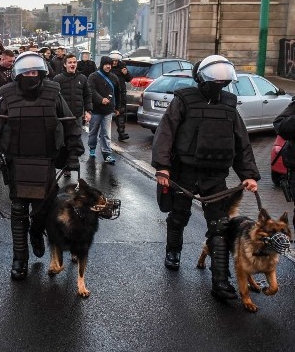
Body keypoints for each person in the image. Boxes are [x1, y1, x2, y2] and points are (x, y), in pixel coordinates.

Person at [151, 54, 259, 300]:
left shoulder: (230, 105)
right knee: (178, 216)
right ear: (201, 78)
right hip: (184, 171)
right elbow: (165, 132)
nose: (219, 85)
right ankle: (173, 252)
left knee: (219, 225)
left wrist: (249, 175)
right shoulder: (183, 100)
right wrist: (162, 167)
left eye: (223, 81)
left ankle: (220, 281)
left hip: (214, 175)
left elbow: (241, 142)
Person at [0, 51, 83, 280]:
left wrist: (74, 152)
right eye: (28, 72)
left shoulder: (53, 94)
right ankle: (19, 259)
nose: (32, 75)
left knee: (43, 211)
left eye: (36, 71)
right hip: (16, 162)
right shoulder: (7, 97)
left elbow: (70, 125)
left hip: (45, 163)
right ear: (19, 74)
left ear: (41, 73)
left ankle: (36, 233)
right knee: (19, 212)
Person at [53, 53, 92, 177]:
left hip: (77, 117)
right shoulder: (58, 79)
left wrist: (88, 111)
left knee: (74, 141)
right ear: (65, 64)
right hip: (62, 117)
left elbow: (87, 95)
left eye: (74, 62)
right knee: (63, 142)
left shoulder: (82, 78)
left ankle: (71, 163)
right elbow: (53, 98)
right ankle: (65, 167)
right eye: (70, 62)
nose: (72, 64)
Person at [87, 56, 120, 164]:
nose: (108, 66)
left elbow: (118, 93)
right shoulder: (93, 76)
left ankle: (106, 154)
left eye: (110, 64)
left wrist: (118, 107)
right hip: (96, 110)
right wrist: (101, 99)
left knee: (106, 133)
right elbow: (91, 90)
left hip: (108, 111)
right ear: (102, 64)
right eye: (106, 64)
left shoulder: (114, 78)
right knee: (93, 132)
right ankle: (92, 148)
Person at [108, 50, 131, 141]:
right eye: (113, 60)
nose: (114, 62)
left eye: (116, 60)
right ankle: (103, 133)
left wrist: (126, 73)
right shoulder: (106, 66)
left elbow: (129, 79)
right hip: (108, 93)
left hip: (121, 93)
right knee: (105, 114)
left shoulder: (122, 67)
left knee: (121, 113)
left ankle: (121, 133)